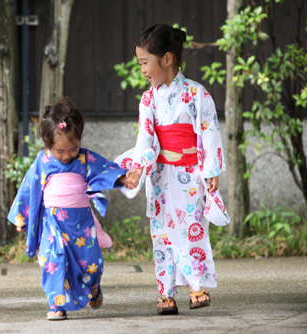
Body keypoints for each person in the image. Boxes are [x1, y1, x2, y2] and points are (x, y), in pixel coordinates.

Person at [115, 24, 230, 315]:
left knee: (191, 230)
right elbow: (145, 136)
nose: (142, 69)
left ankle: (196, 287)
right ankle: (165, 293)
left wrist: (212, 168)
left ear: (166, 59)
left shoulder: (197, 94)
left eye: (144, 62)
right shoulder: (148, 99)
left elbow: (209, 132)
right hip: (161, 175)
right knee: (163, 234)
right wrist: (139, 168)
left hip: (190, 175)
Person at [8, 98, 139, 321]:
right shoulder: (43, 161)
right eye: (60, 151)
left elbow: (104, 170)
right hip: (53, 223)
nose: (67, 156)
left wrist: (124, 177)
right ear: (48, 143)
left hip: (81, 224)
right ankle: (57, 304)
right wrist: (23, 218)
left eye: (73, 148)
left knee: (91, 265)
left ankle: (94, 286)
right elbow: (29, 189)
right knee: (53, 261)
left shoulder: (85, 158)